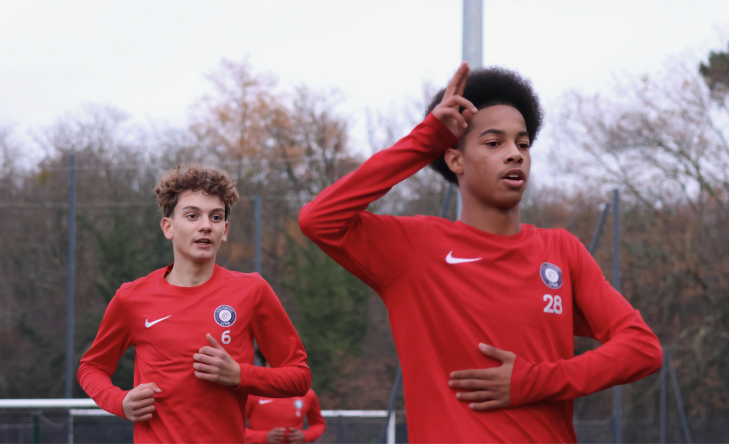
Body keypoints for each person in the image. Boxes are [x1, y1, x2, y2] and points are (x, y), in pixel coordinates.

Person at [298, 63, 663, 443]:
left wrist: (535, 380)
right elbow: (319, 218)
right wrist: (427, 139)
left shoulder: (561, 250)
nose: (514, 154)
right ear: (455, 159)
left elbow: (642, 348)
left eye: (523, 144)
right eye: (494, 143)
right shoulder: (414, 248)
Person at [78, 164, 311, 443]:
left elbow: (299, 377)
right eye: (192, 215)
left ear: (225, 230)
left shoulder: (252, 291)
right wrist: (119, 401)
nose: (205, 225)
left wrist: (239, 374)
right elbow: (91, 368)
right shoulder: (131, 297)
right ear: (168, 227)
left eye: (216, 217)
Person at [245, 355, 326, 444]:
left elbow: (319, 424)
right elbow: (235, 427)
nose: (278, 368)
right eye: (273, 362)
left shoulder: (307, 394)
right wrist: (263, 437)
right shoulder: (252, 392)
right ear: (264, 363)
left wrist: (306, 436)